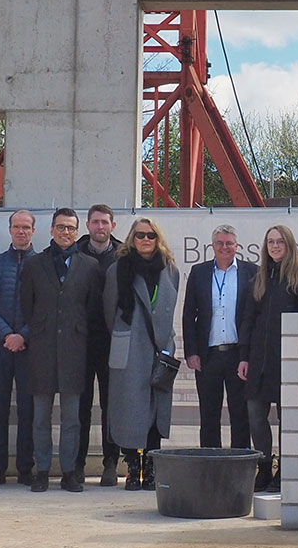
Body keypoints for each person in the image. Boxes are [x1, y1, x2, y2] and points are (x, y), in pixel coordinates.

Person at [18, 208, 104, 493]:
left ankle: (69, 472)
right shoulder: (33, 265)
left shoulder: (90, 266)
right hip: (41, 349)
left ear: (77, 231)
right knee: (40, 417)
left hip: (74, 351)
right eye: (60, 227)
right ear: (51, 230)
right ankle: (42, 470)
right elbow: (27, 307)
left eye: (70, 228)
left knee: (71, 418)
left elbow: (93, 309)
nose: (65, 233)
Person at [103, 217, 181, 491]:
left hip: (160, 348)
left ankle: (150, 468)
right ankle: (131, 467)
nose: (145, 240)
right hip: (129, 346)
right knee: (128, 408)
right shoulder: (118, 270)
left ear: (157, 238)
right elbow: (108, 311)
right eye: (140, 236)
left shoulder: (170, 270)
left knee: (156, 408)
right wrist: (125, 335)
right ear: (131, 239)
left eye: (150, 235)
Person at [238, 225, 298, 492]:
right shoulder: (258, 278)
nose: (275, 246)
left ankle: (285, 471)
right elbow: (247, 319)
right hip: (258, 360)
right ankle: (264, 467)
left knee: (286, 419)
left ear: (289, 245)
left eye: (280, 241)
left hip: (287, 362)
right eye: (270, 241)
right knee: (256, 415)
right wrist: (244, 356)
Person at [0, 210, 38, 486]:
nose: (21, 231)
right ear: (10, 229)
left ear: (33, 231)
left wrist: (22, 336)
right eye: (17, 227)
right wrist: (6, 335)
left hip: (31, 350)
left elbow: (44, 309)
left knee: (29, 410)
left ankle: (26, 468)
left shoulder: (42, 264)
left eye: (26, 227)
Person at [182, 224, 254, 451]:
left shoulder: (252, 272)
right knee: (209, 416)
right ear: (212, 246)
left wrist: (248, 355)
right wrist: (191, 352)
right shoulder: (199, 272)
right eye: (220, 243)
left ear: (237, 246)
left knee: (240, 415)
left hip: (238, 355)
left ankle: (239, 466)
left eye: (229, 243)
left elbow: (254, 318)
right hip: (208, 355)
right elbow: (188, 315)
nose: (225, 247)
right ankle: (210, 467)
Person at [78, 203, 126, 485]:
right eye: (95, 222)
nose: (99, 227)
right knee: (81, 407)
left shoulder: (124, 256)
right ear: (88, 226)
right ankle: (77, 464)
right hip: (81, 341)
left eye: (104, 222)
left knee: (112, 406)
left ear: (113, 226)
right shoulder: (75, 253)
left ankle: (111, 463)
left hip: (113, 341)